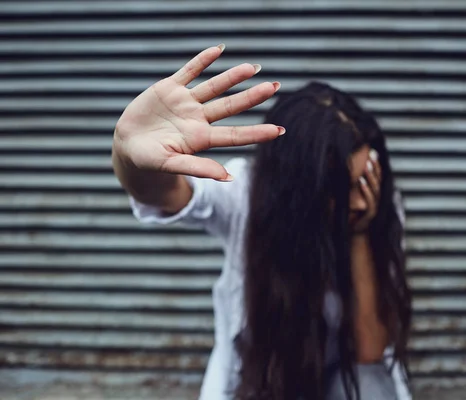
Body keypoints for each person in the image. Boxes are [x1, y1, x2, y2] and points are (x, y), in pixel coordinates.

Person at [113, 44, 412, 400]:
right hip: (259, 381)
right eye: (342, 188)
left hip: (342, 381)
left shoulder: (376, 206)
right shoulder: (248, 196)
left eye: (365, 180)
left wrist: (361, 235)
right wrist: (129, 154)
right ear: (300, 189)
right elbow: (166, 195)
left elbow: (369, 354)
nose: (362, 200)